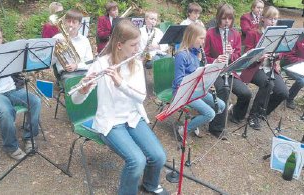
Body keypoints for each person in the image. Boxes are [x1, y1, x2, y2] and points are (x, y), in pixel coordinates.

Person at [71, 19, 169, 195]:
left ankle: (150, 185)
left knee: (159, 156)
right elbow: (77, 101)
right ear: (119, 45)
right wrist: (83, 89)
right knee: (137, 161)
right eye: (133, 45)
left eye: (138, 43)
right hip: (110, 123)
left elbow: (141, 97)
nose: (137, 48)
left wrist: (120, 83)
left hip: (132, 117)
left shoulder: (136, 63)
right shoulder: (101, 64)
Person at [0, 20, 41, 160]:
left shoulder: (6, 51)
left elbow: (15, 74)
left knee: (35, 101)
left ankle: (30, 138)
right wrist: (1, 66)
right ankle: (11, 146)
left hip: (12, 90)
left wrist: (20, 70)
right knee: (5, 111)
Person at [204, 3, 252, 138]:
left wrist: (231, 54)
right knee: (224, 90)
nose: (227, 22)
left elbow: (239, 57)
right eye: (224, 18)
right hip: (215, 72)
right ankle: (216, 127)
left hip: (230, 71)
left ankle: (236, 115)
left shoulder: (235, 34)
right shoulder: (210, 33)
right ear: (219, 18)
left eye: (229, 19)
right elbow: (204, 56)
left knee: (246, 93)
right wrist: (216, 59)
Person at [172, 23, 225, 138]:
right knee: (209, 113)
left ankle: (194, 120)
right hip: (183, 92)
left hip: (196, 89)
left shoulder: (196, 53)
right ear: (191, 37)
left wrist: (208, 79)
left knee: (221, 106)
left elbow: (200, 72)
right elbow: (178, 81)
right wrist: (197, 80)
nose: (203, 42)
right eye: (201, 38)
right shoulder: (181, 55)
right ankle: (183, 130)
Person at [241, 6, 289, 129]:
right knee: (268, 84)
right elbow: (247, 55)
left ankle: (263, 111)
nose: (273, 21)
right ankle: (253, 115)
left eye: (275, 19)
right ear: (263, 19)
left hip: (269, 68)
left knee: (283, 92)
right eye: (270, 18)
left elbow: (282, 52)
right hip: (254, 68)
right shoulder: (253, 33)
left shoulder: (278, 34)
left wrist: (277, 54)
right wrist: (260, 56)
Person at [53, 8, 93, 84]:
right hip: (67, 74)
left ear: (80, 25)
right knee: (76, 85)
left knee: (95, 83)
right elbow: (50, 62)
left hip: (84, 71)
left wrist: (77, 66)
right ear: (64, 22)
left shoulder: (84, 40)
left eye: (74, 22)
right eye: (68, 21)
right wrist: (55, 53)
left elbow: (89, 62)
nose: (71, 24)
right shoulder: (57, 39)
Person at [282, 37, 304, 109]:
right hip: (289, 66)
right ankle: (289, 98)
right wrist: (301, 61)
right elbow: (287, 56)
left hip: (301, 66)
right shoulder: (296, 38)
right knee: (301, 81)